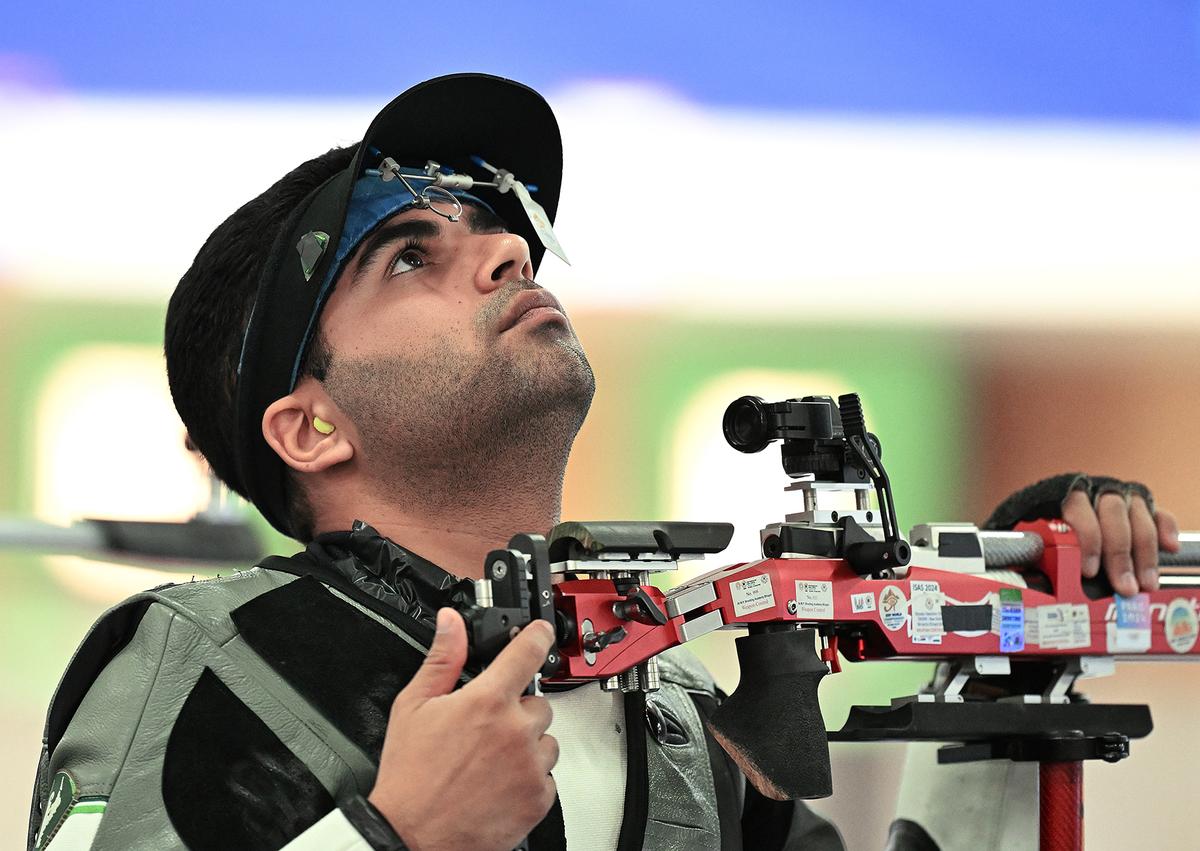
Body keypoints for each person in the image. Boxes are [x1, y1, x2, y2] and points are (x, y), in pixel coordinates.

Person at [27, 74, 1178, 851]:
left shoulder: (668, 701)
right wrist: (392, 833)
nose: (503, 249)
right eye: (407, 256)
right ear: (311, 428)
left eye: (496, 224)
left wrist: (1008, 678)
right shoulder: (206, 656)